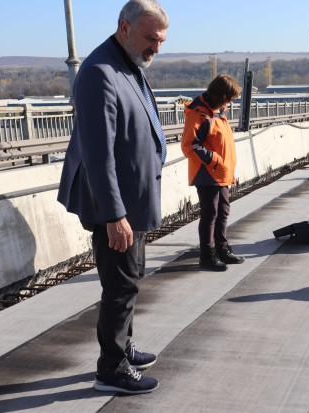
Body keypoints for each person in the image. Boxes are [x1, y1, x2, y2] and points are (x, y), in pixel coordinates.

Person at [57, 0, 169, 394]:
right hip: (115, 207)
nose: (156, 47)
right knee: (120, 285)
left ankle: (124, 345)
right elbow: (98, 151)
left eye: (161, 41)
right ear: (125, 27)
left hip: (130, 204)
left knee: (130, 279)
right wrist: (114, 215)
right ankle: (112, 369)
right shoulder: (100, 72)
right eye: (151, 38)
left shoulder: (127, 63)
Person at [181, 75, 245, 271]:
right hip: (207, 173)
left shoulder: (218, 112)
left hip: (221, 172)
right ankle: (207, 255)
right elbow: (189, 146)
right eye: (229, 98)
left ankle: (221, 249)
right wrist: (214, 160)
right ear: (220, 95)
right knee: (210, 214)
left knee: (223, 212)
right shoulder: (199, 114)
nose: (231, 102)